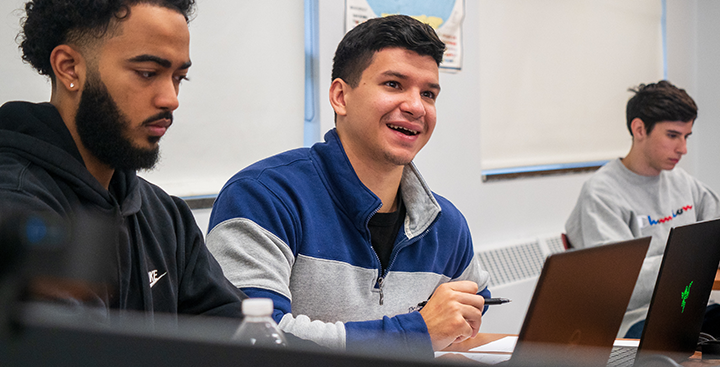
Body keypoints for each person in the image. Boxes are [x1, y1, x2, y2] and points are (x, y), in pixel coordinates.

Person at [207, 15, 490, 357]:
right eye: (394, 84)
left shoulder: (445, 224)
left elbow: (472, 311)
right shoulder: (262, 198)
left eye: (428, 93)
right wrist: (416, 332)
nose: (416, 106)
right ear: (340, 96)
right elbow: (256, 339)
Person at [0, 0, 247, 318]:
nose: (170, 99)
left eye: (179, 77)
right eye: (147, 73)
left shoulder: (164, 216)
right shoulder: (18, 210)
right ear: (69, 67)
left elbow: (241, 333)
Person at [565, 80, 720, 337]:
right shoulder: (601, 193)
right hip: (638, 322)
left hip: (693, 310)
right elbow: (620, 286)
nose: (682, 148)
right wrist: (690, 262)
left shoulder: (683, 182)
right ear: (639, 129)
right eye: (672, 135)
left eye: (686, 136)